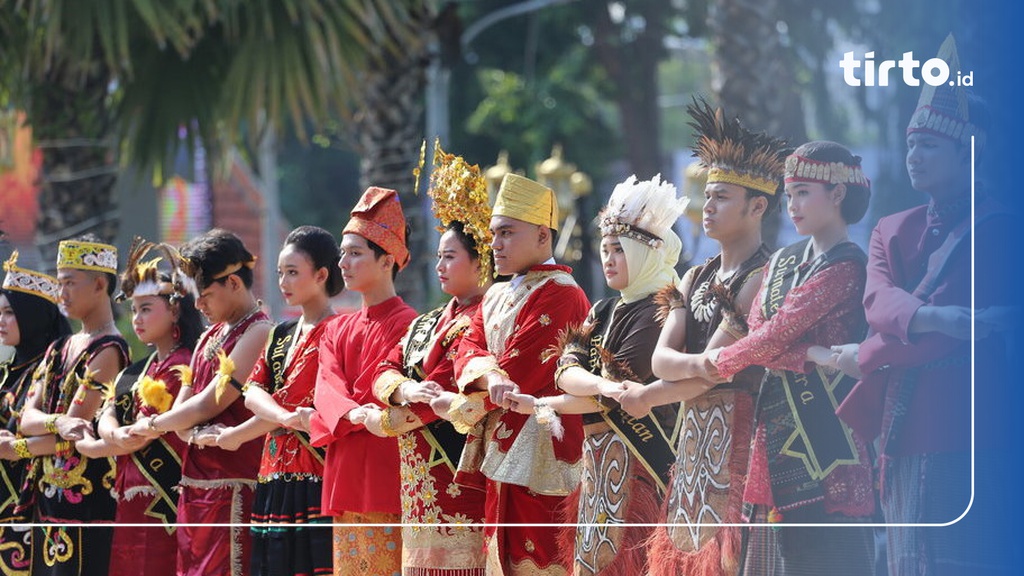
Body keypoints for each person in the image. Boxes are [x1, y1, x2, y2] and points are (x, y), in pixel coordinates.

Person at [834, 34, 1012, 575]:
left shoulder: (1002, 228)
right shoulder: (893, 228)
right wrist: (940, 318)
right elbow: (877, 304)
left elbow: (905, 333)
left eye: (929, 146)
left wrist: (870, 355)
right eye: (911, 144)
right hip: (901, 427)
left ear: (970, 149)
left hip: (971, 425)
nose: (914, 156)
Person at [617, 98, 785, 576]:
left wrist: (659, 389)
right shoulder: (694, 276)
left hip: (739, 433)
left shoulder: (763, 275)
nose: (707, 207)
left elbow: (700, 371)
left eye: (722, 198)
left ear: (757, 206)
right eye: (707, 196)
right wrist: (700, 366)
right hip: (692, 434)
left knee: (727, 559)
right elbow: (666, 359)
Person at [700, 140, 876, 575]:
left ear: (837, 195)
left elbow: (771, 338)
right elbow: (761, 333)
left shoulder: (846, 267)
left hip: (827, 443)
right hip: (776, 435)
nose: (792, 205)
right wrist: (816, 354)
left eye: (803, 193)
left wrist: (715, 365)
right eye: (789, 192)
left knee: (825, 557)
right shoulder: (783, 262)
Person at [504, 174, 686, 575]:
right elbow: (566, 370)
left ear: (644, 252)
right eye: (604, 249)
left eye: (619, 250)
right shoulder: (603, 309)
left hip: (642, 473)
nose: (608, 259)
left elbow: (616, 391)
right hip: (598, 470)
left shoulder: (661, 309)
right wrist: (589, 388)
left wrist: (575, 392)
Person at [445, 173, 590, 575]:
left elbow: (521, 368)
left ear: (543, 235)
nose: (495, 245)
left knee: (542, 560)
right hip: (501, 444)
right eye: (494, 234)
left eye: (507, 233)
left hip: (543, 450)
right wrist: (491, 377)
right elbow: (466, 348)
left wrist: (488, 376)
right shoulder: (496, 293)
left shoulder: (562, 292)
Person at [366, 144, 492, 575]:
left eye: (450, 256)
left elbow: (447, 383)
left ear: (481, 262)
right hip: (416, 479)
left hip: (458, 473)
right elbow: (384, 367)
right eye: (437, 256)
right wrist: (403, 388)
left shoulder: (486, 319)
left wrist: (383, 419)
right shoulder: (427, 321)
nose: (439, 265)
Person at [127, 229, 272, 576]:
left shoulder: (259, 331)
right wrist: (179, 427)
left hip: (235, 486)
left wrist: (151, 425)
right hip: (193, 488)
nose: (198, 305)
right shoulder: (210, 334)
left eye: (205, 294)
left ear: (234, 283)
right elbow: (185, 405)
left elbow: (210, 404)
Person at [205, 226, 342, 576]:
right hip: (273, 472)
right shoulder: (280, 333)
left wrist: (239, 433)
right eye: (281, 272)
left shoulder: (340, 330)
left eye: (293, 272)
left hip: (316, 473)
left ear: (322, 274)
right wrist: (284, 417)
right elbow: (252, 392)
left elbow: (304, 398)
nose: (283, 281)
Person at [305, 187, 418, 576]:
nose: (344, 263)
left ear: (387, 260)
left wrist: (354, 412)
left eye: (355, 253)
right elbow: (327, 387)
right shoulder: (337, 328)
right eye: (342, 253)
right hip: (349, 465)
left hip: (388, 468)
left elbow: (382, 385)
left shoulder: (411, 325)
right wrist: (356, 414)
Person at [72, 238, 202, 576]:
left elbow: (141, 434)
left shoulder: (184, 366)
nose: (137, 318)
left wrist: (98, 443)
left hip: (164, 500)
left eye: (146, 308)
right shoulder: (136, 370)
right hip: (129, 500)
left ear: (175, 309)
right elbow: (110, 413)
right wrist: (109, 434)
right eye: (133, 309)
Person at [18, 235, 129, 576]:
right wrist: (55, 423)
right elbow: (28, 417)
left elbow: (77, 429)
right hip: (49, 498)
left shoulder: (108, 349)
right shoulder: (59, 348)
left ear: (99, 284)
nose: (61, 293)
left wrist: (19, 449)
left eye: (69, 283)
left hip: (89, 500)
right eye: (59, 282)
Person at [0, 252, 70, 575]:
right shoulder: (4, 372)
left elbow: (64, 437)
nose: (1, 321)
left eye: (10, 313)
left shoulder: (54, 371)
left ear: (35, 315)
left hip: (34, 510)